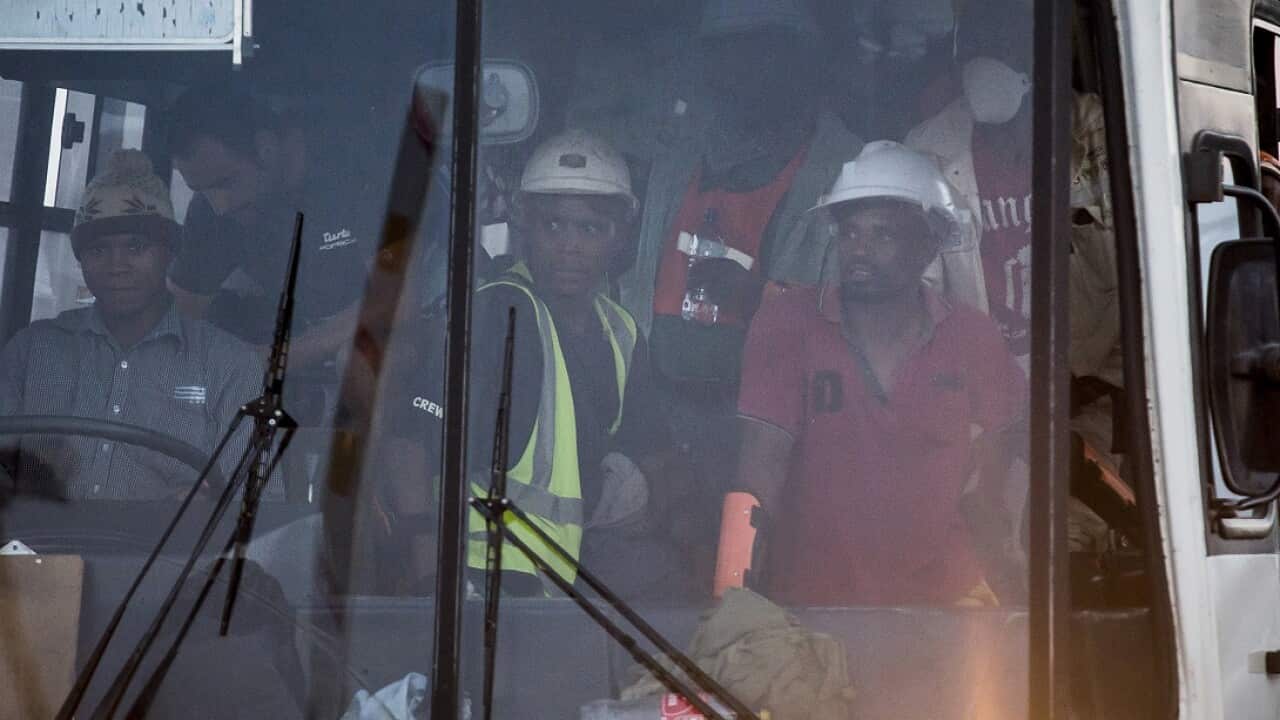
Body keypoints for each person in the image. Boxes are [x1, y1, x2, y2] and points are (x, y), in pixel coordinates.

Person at [373, 130, 676, 598]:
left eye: (589, 229)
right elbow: (410, 444)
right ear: (526, 228)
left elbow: (650, 446)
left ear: (619, 237)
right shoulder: (496, 315)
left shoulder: (620, 331)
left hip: (558, 586)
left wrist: (655, 514)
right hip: (480, 582)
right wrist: (430, 576)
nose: (569, 245)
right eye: (553, 226)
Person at [721, 141, 1026, 605]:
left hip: (949, 608)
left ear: (928, 246)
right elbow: (756, 482)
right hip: (813, 606)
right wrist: (734, 604)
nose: (860, 250)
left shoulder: (972, 337)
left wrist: (1019, 603)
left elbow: (1005, 479)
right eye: (850, 234)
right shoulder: (787, 323)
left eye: (884, 236)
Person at [0, 150, 261, 500]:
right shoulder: (31, 351)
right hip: (38, 550)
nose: (116, 265)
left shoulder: (230, 365)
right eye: (97, 250)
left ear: (170, 252)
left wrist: (205, 503)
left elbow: (251, 507)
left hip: (166, 553)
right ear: (81, 261)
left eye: (136, 247)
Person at [163, 86, 376, 375]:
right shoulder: (211, 212)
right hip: (287, 345)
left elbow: (397, 302)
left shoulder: (356, 170)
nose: (220, 207)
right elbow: (179, 315)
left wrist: (276, 359)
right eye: (201, 191)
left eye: (225, 182)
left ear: (265, 146)